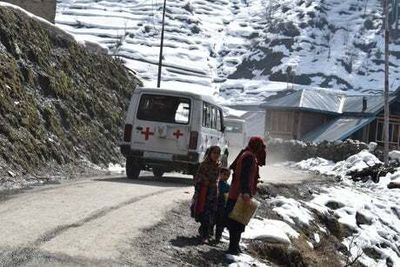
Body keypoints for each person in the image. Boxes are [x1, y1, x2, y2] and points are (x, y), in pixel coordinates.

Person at [226, 137, 266, 255]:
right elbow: (245, 176)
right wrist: (246, 192)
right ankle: (233, 247)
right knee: (237, 222)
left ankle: (235, 246)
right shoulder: (249, 157)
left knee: (238, 221)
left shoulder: (247, 154)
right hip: (240, 194)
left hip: (237, 192)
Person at [191, 146, 221, 243]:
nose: (216, 155)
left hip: (213, 193)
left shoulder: (219, 165)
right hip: (204, 192)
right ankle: (204, 235)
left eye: (218, 153)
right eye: (214, 153)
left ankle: (206, 233)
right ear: (210, 153)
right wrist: (205, 181)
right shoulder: (204, 165)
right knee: (205, 213)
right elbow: (197, 177)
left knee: (212, 213)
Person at [215, 167, 231, 243]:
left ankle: (218, 238)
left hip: (222, 206)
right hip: (214, 204)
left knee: (220, 223)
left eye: (228, 175)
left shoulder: (228, 186)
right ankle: (207, 234)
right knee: (211, 221)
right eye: (224, 174)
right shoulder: (216, 183)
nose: (226, 176)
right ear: (220, 174)